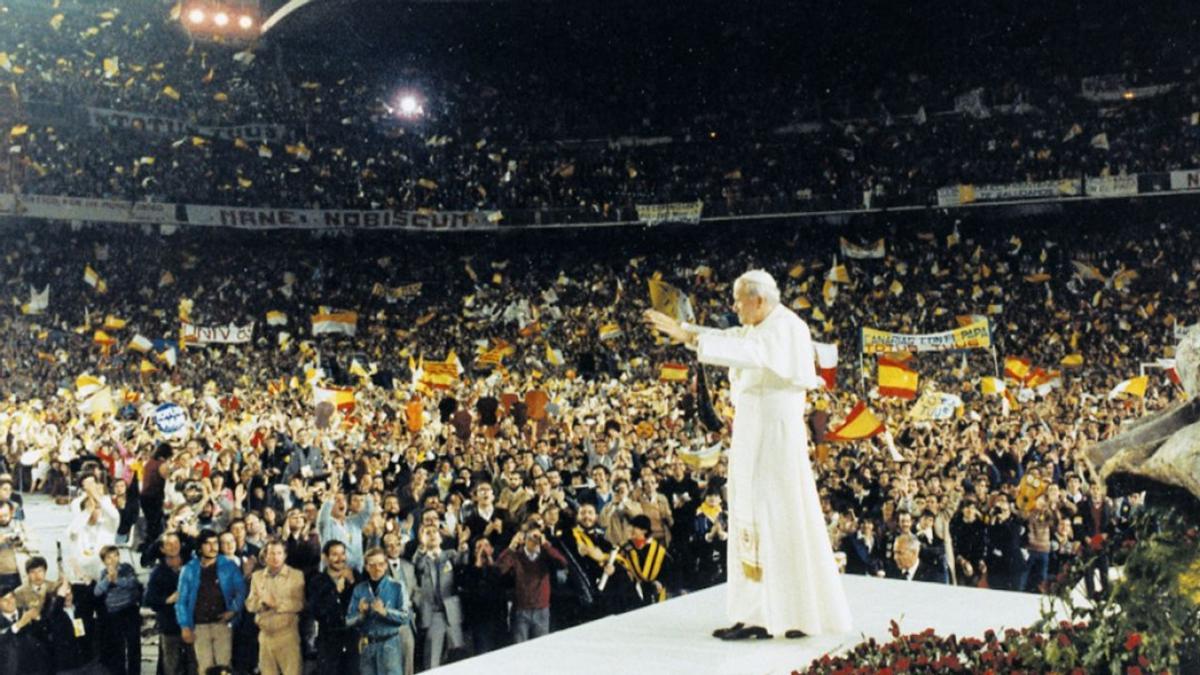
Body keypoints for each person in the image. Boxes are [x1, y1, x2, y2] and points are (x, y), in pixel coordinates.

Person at [645, 269, 852, 639]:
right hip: (752, 432)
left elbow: (750, 352)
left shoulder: (788, 328)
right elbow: (732, 338)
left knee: (779, 515)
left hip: (776, 436)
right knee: (747, 513)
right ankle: (754, 614)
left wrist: (692, 337)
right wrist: (688, 333)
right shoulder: (760, 327)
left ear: (758, 300)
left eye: (739, 299)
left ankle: (794, 615)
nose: (735, 305)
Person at [176, 529, 247, 674]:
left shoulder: (229, 566)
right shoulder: (189, 569)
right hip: (199, 625)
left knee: (224, 667)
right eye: (208, 544)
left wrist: (233, 610)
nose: (213, 547)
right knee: (204, 668)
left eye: (215, 543)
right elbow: (182, 600)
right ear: (200, 547)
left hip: (222, 624)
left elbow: (241, 591)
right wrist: (184, 626)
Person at [494, 521, 567, 643]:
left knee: (541, 647)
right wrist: (511, 547)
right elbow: (499, 569)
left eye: (537, 537)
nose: (535, 541)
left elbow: (562, 563)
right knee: (520, 649)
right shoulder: (517, 555)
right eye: (532, 537)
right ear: (524, 539)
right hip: (521, 610)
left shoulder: (545, 555)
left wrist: (545, 545)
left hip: (542, 609)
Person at [346, 547, 410, 675]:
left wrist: (385, 612)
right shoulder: (359, 590)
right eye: (372, 565)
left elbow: (405, 617)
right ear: (366, 567)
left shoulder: (397, 586)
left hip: (390, 645)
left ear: (386, 565)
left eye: (381, 564)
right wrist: (361, 614)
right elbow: (348, 621)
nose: (377, 568)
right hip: (367, 646)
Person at [412, 523, 468, 669]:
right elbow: (417, 565)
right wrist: (421, 549)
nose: (432, 535)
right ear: (421, 539)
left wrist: (463, 549)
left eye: (434, 532)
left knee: (459, 654)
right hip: (433, 614)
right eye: (427, 533)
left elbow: (462, 563)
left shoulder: (450, 554)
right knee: (432, 658)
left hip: (451, 611)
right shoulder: (421, 559)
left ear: (441, 538)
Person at [246, 539, 305, 675]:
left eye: (279, 553)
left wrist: (276, 604)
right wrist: (261, 604)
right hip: (265, 636)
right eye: (272, 553)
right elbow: (249, 604)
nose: (275, 557)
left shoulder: (296, 575)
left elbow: (299, 604)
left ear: (284, 555)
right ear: (265, 556)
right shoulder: (257, 577)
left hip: (287, 635)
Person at [144, 533, 194, 675]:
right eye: (169, 544)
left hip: (192, 623)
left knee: (193, 663)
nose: (173, 547)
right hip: (170, 624)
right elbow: (149, 599)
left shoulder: (190, 564)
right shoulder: (158, 572)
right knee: (171, 664)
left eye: (176, 543)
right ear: (162, 549)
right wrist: (167, 600)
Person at [307, 541, 359, 675]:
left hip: (352, 642)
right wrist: (335, 591)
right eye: (334, 554)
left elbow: (363, 604)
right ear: (325, 557)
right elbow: (317, 612)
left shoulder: (355, 577)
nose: (340, 558)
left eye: (342, 554)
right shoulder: (316, 581)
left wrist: (352, 582)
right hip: (329, 643)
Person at [93, 544, 142, 675]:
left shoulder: (126, 568)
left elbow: (132, 583)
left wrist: (117, 580)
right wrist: (108, 579)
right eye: (109, 557)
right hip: (114, 614)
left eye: (116, 555)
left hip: (129, 610)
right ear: (104, 561)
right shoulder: (104, 573)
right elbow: (97, 591)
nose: (113, 559)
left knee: (133, 646)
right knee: (118, 647)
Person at [0, 583, 43, 675]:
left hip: (36, 668)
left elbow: (42, 635)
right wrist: (19, 624)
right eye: (4, 600)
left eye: (11, 597)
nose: (10, 602)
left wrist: (39, 620)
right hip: (11, 671)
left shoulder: (27, 611)